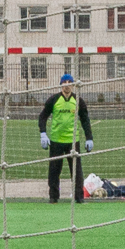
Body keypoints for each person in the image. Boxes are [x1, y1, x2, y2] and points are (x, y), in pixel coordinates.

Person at [37, 72, 94, 204]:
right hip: (56, 141)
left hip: (73, 141)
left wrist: (89, 138)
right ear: (60, 85)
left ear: (73, 85)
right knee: (54, 171)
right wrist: (43, 133)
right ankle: (53, 197)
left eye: (69, 83)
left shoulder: (78, 100)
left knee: (76, 171)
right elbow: (43, 116)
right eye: (64, 83)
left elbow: (85, 120)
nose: (67, 86)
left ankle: (79, 197)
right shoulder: (54, 99)